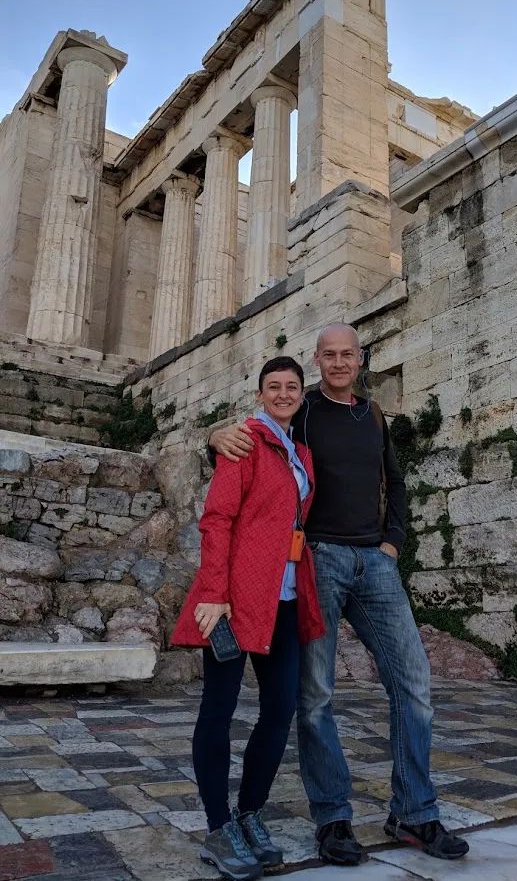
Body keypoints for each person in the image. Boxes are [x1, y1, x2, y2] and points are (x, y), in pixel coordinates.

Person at [208, 324, 469, 865]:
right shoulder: (300, 408)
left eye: (347, 354)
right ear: (317, 361)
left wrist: (393, 542)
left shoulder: (372, 415)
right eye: (328, 355)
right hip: (316, 561)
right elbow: (252, 435)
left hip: (375, 562)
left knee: (414, 682)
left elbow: (393, 481)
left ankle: (414, 813)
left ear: (360, 359)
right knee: (316, 697)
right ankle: (332, 819)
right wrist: (212, 435)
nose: (339, 362)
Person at [171, 356, 324, 881]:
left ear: (301, 395)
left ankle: (250, 813)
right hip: (234, 601)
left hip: (283, 600)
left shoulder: (300, 453)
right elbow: (217, 518)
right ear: (260, 394)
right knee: (219, 709)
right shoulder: (243, 442)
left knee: (279, 711)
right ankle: (218, 828)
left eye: (291, 387)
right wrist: (213, 591)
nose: (283, 393)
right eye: (273, 386)